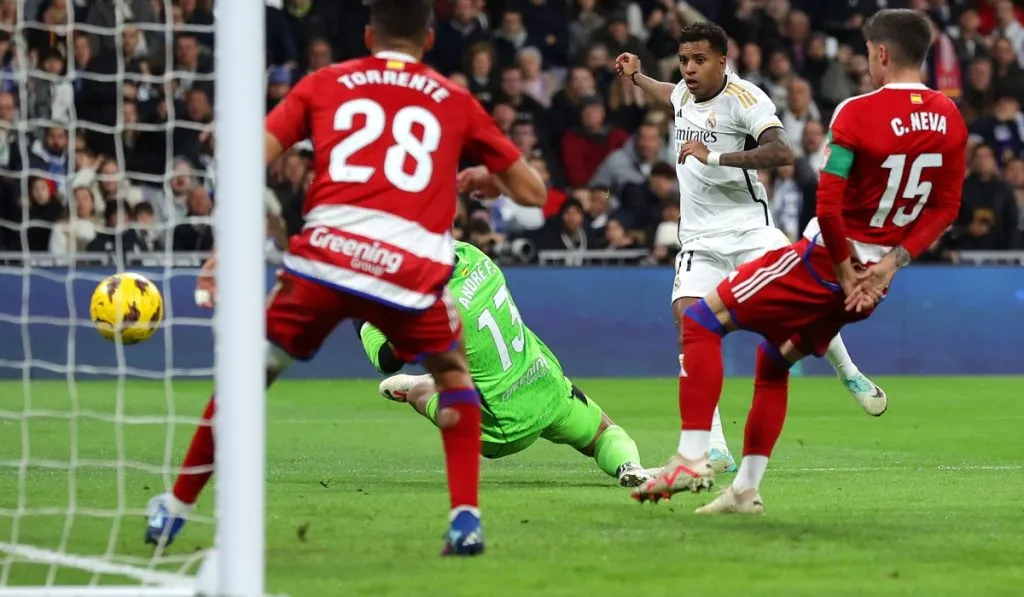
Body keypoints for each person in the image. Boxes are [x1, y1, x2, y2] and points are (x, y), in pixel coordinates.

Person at [144, 0, 547, 557]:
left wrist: (224, 248)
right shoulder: (453, 99)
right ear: (430, 40)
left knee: (248, 375)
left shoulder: (325, 83)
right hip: (409, 266)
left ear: (368, 34)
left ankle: (175, 507)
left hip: (327, 256)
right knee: (453, 375)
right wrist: (487, 177)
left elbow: (246, 158)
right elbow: (533, 193)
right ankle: (465, 521)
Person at [632, 9, 967, 513]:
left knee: (700, 321)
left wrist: (841, 266)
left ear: (880, 53)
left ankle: (693, 456)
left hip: (820, 261)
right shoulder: (950, 117)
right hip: (873, 281)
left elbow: (828, 205)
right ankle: (744, 489)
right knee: (772, 360)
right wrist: (890, 265)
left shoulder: (855, 112)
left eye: (866, 52)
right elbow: (946, 208)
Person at [613, 22, 886, 475]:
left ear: (722, 61)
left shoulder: (746, 99)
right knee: (688, 323)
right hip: (699, 238)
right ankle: (715, 447)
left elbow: (782, 152)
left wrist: (714, 156)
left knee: (803, 308)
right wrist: (638, 77)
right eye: (684, 60)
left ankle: (850, 373)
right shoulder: (683, 94)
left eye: (699, 60)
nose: (689, 69)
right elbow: (669, 94)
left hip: (749, 230)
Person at [359, 240, 652, 487]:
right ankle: (630, 467)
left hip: (501, 429)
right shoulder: (475, 256)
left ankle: (425, 386)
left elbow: (387, 361)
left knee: (421, 392)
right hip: (547, 390)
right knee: (604, 432)